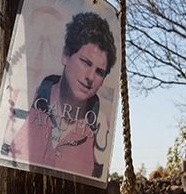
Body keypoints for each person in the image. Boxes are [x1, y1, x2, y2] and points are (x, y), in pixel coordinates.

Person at [7, 11, 116, 177]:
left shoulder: (101, 129)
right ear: (66, 55)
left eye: (99, 72)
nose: (90, 77)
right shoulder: (20, 101)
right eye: (85, 62)